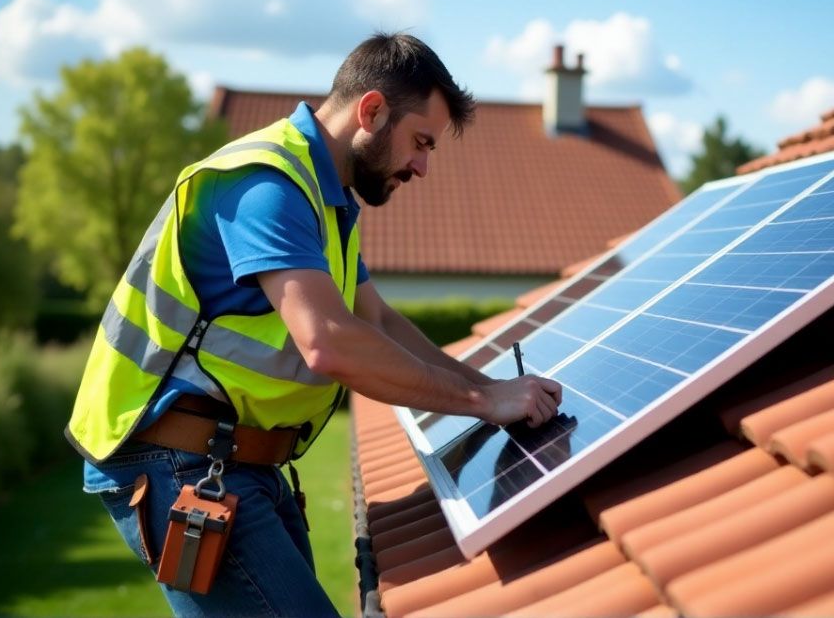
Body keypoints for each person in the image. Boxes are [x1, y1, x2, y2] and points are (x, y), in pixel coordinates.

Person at [67, 32, 563, 617]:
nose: (424, 168)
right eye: (420, 142)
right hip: (180, 464)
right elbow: (328, 342)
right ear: (371, 111)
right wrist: (483, 399)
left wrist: (489, 387)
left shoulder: (326, 197)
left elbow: (374, 318)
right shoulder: (267, 185)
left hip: (234, 461)